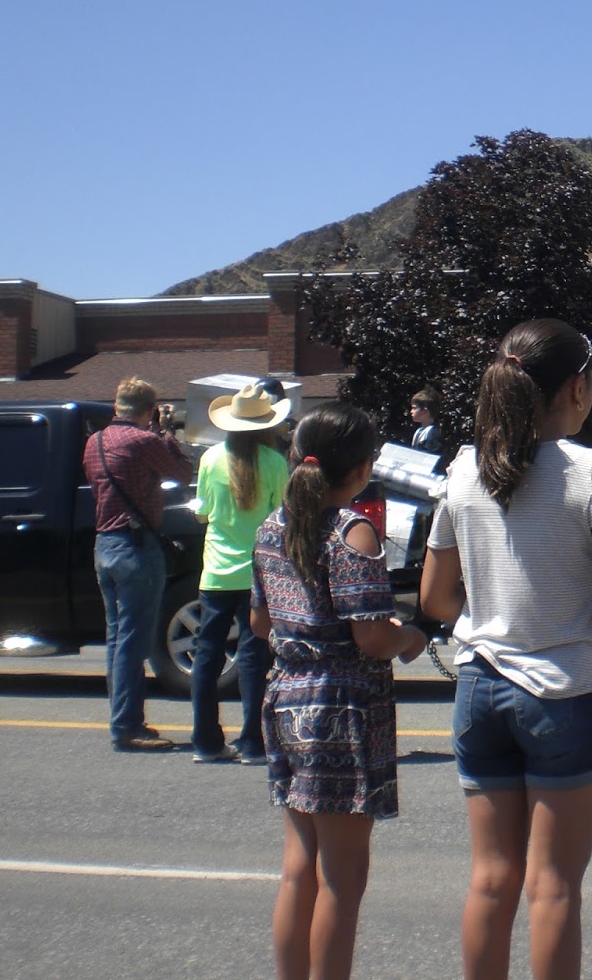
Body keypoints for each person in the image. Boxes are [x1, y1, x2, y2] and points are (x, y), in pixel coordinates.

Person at [420, 319, 592, 980]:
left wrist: (494, 619)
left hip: (479, 688)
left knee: (490, 880)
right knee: (554, 887)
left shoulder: (464, 470)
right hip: (564, 693)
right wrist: (583, 630)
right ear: (578, 388)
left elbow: (435, 599)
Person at [250, 403, 428, 980]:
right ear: (360, 469)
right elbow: (373, 637)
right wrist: (412, 638)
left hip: (286, 697)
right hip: (340, 707)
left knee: (299, 868)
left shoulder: (272, 528)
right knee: (343, 880)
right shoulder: (353, 531)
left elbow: (259, 623)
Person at [82, 375, 194, 752]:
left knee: (117, 639)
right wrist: (167, 434)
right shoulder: (145, 440)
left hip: (105, 544)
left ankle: (122, 721)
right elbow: (182, 472)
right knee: (134, 641)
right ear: (148, 411)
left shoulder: (93, 442)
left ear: (117, 406)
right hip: (136, 547)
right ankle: (128, 727)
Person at [190, 381, 291, 764]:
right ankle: (252, 742)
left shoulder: (210, 459)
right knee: (254, 656)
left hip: (215, 570)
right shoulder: (275, 464)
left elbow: (201, 513)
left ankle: (205, 741)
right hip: (259, 571)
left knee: (207, 654)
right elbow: (282, 518)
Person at [409, 387, 443, 455]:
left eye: (414, 408)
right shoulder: (419, 430)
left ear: (425, 411)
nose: (411, 411)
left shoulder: (433, 432)